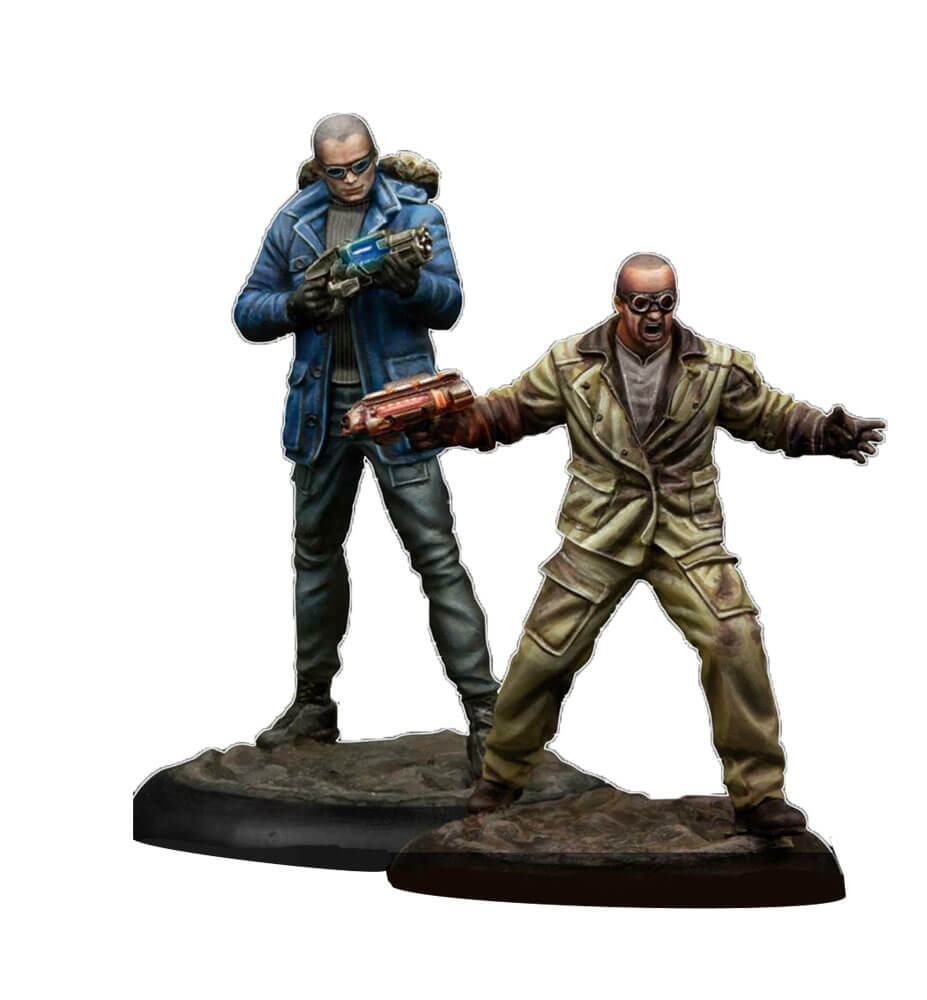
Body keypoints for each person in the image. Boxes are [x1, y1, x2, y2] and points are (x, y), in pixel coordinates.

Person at [411, 252, 885, 834]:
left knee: (735, 638)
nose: (655, 315)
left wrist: (823, 432)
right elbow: (509, 411)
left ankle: (760, 793)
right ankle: (499, 780)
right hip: (599, 532)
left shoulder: (713, 366)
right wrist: (455, 426)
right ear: (619, 303)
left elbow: (769, 415)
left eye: (665, 302)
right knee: (543, 655)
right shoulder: (571, 363)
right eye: (641, 304)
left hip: (685, 532)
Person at [233, 114, 497, 772]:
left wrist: (404, 280)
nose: (351, 180)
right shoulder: (295, 220)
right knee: (315, 556)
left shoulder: (413, 216)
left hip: (398, 408)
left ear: (375, 157)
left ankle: (487, 714)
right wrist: (298, 304)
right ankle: (312, 704)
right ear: (320, 168)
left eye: (360, 166)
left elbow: (449, 303)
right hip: (321, 411)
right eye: (337, 171)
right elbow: (249, 308)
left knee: (436, 556)